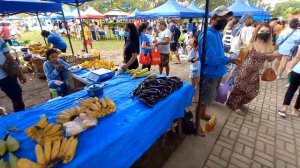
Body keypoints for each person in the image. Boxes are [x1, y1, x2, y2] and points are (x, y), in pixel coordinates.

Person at [227, 23, 279, 114]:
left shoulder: (270, 46)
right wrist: (233, 72)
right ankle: (235, 105)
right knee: (240, 89)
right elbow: (240, 59)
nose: (264, 33)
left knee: (253, 91)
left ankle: (238, 102)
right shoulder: (251, 44)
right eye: (262, 31)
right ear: (257, 31)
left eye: (267, 31)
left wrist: (275, 55)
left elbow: (270, 60)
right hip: (244, 70)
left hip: (255, 72)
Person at [197, 6, 239, 122]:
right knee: (204, 99)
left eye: (227, 18)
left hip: (217, 72)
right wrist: (229, 59)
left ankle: (202, 114)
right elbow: (210, 60)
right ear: (213, 19)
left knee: (208, 99)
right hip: (209, 73)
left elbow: (217, 54)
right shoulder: (208, 35)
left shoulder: (217, 33)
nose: (225, 20)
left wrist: (227, 58)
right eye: (222, 17)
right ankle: (197, 124)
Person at [0, 37, 26, 112]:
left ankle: (20, 119)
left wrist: (20, 73)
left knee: (18, 101)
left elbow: (9, 56)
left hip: (6, 75)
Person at [278, 46, 300, 117]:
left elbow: (297, 57)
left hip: (297, 71)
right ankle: (295, 110)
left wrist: (290, 68)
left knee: (291, 89)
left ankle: (284, 108)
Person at [188, 37, 199, 102]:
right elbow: (189, 59)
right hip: (193, 69)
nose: (195, 47)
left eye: (196, 46)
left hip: (199, 69)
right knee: (193, 85)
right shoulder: (192, 51)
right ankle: (190, 97)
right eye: (194, 46)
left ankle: (195, 97)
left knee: (198, 85)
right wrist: (194, 59)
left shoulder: (201, 51)